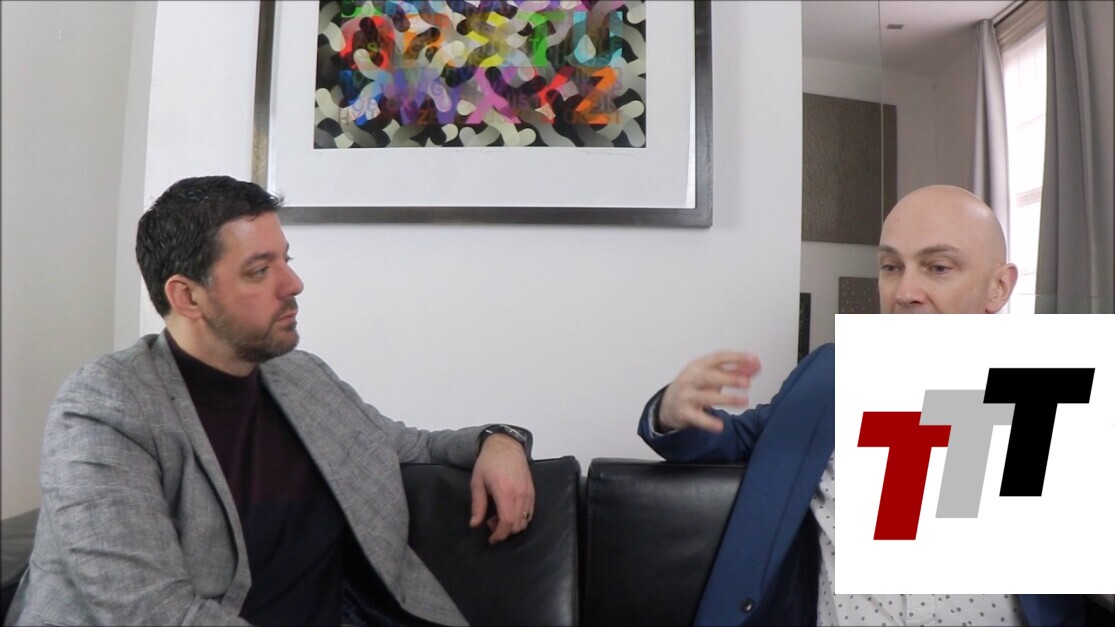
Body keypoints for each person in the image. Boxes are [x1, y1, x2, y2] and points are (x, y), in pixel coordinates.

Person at [5, 176, 535, 627]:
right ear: (187, 296)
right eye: (259, 271)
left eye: (286, 260)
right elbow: (152, 612)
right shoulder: (104, 408)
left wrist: (499, 441)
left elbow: (410, 446)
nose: (294, 284)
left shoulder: (300, 377)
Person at [637, 185, 1086, 625]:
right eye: (891, 267)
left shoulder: (1056, 398)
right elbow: (739, 438)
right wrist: (672, 413)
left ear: (999, 287)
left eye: (938, 267)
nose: (905, 291)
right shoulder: (830, 376)